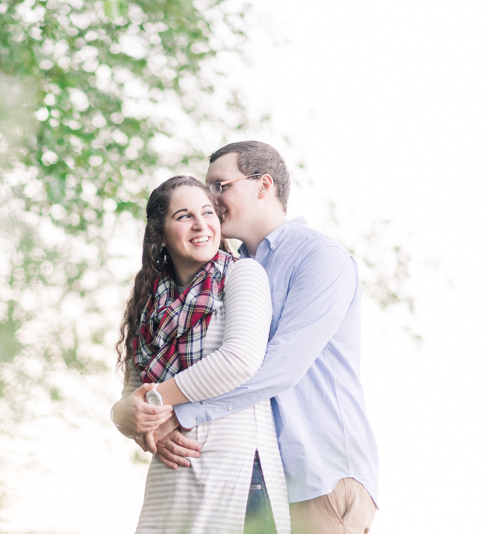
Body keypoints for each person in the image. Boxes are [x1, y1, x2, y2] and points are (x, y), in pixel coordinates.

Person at [136, 141, 379, 534]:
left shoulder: (320, 257)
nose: (211, 199)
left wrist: (177, 414)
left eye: (220, 186)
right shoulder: (230, 271)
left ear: (263, 185)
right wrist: (145, 420)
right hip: (262, 479)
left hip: (319, 474)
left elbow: (279, 369)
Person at [111, 175, 291, 534]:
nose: (200, 224)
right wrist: (123, 416)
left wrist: (158, 405)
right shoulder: (148, 298)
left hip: (235, 475)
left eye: (207, 212)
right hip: (171, 476)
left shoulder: (241, 275)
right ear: (160, 232)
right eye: (183, 216)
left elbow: (239, 359)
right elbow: (134, 396)